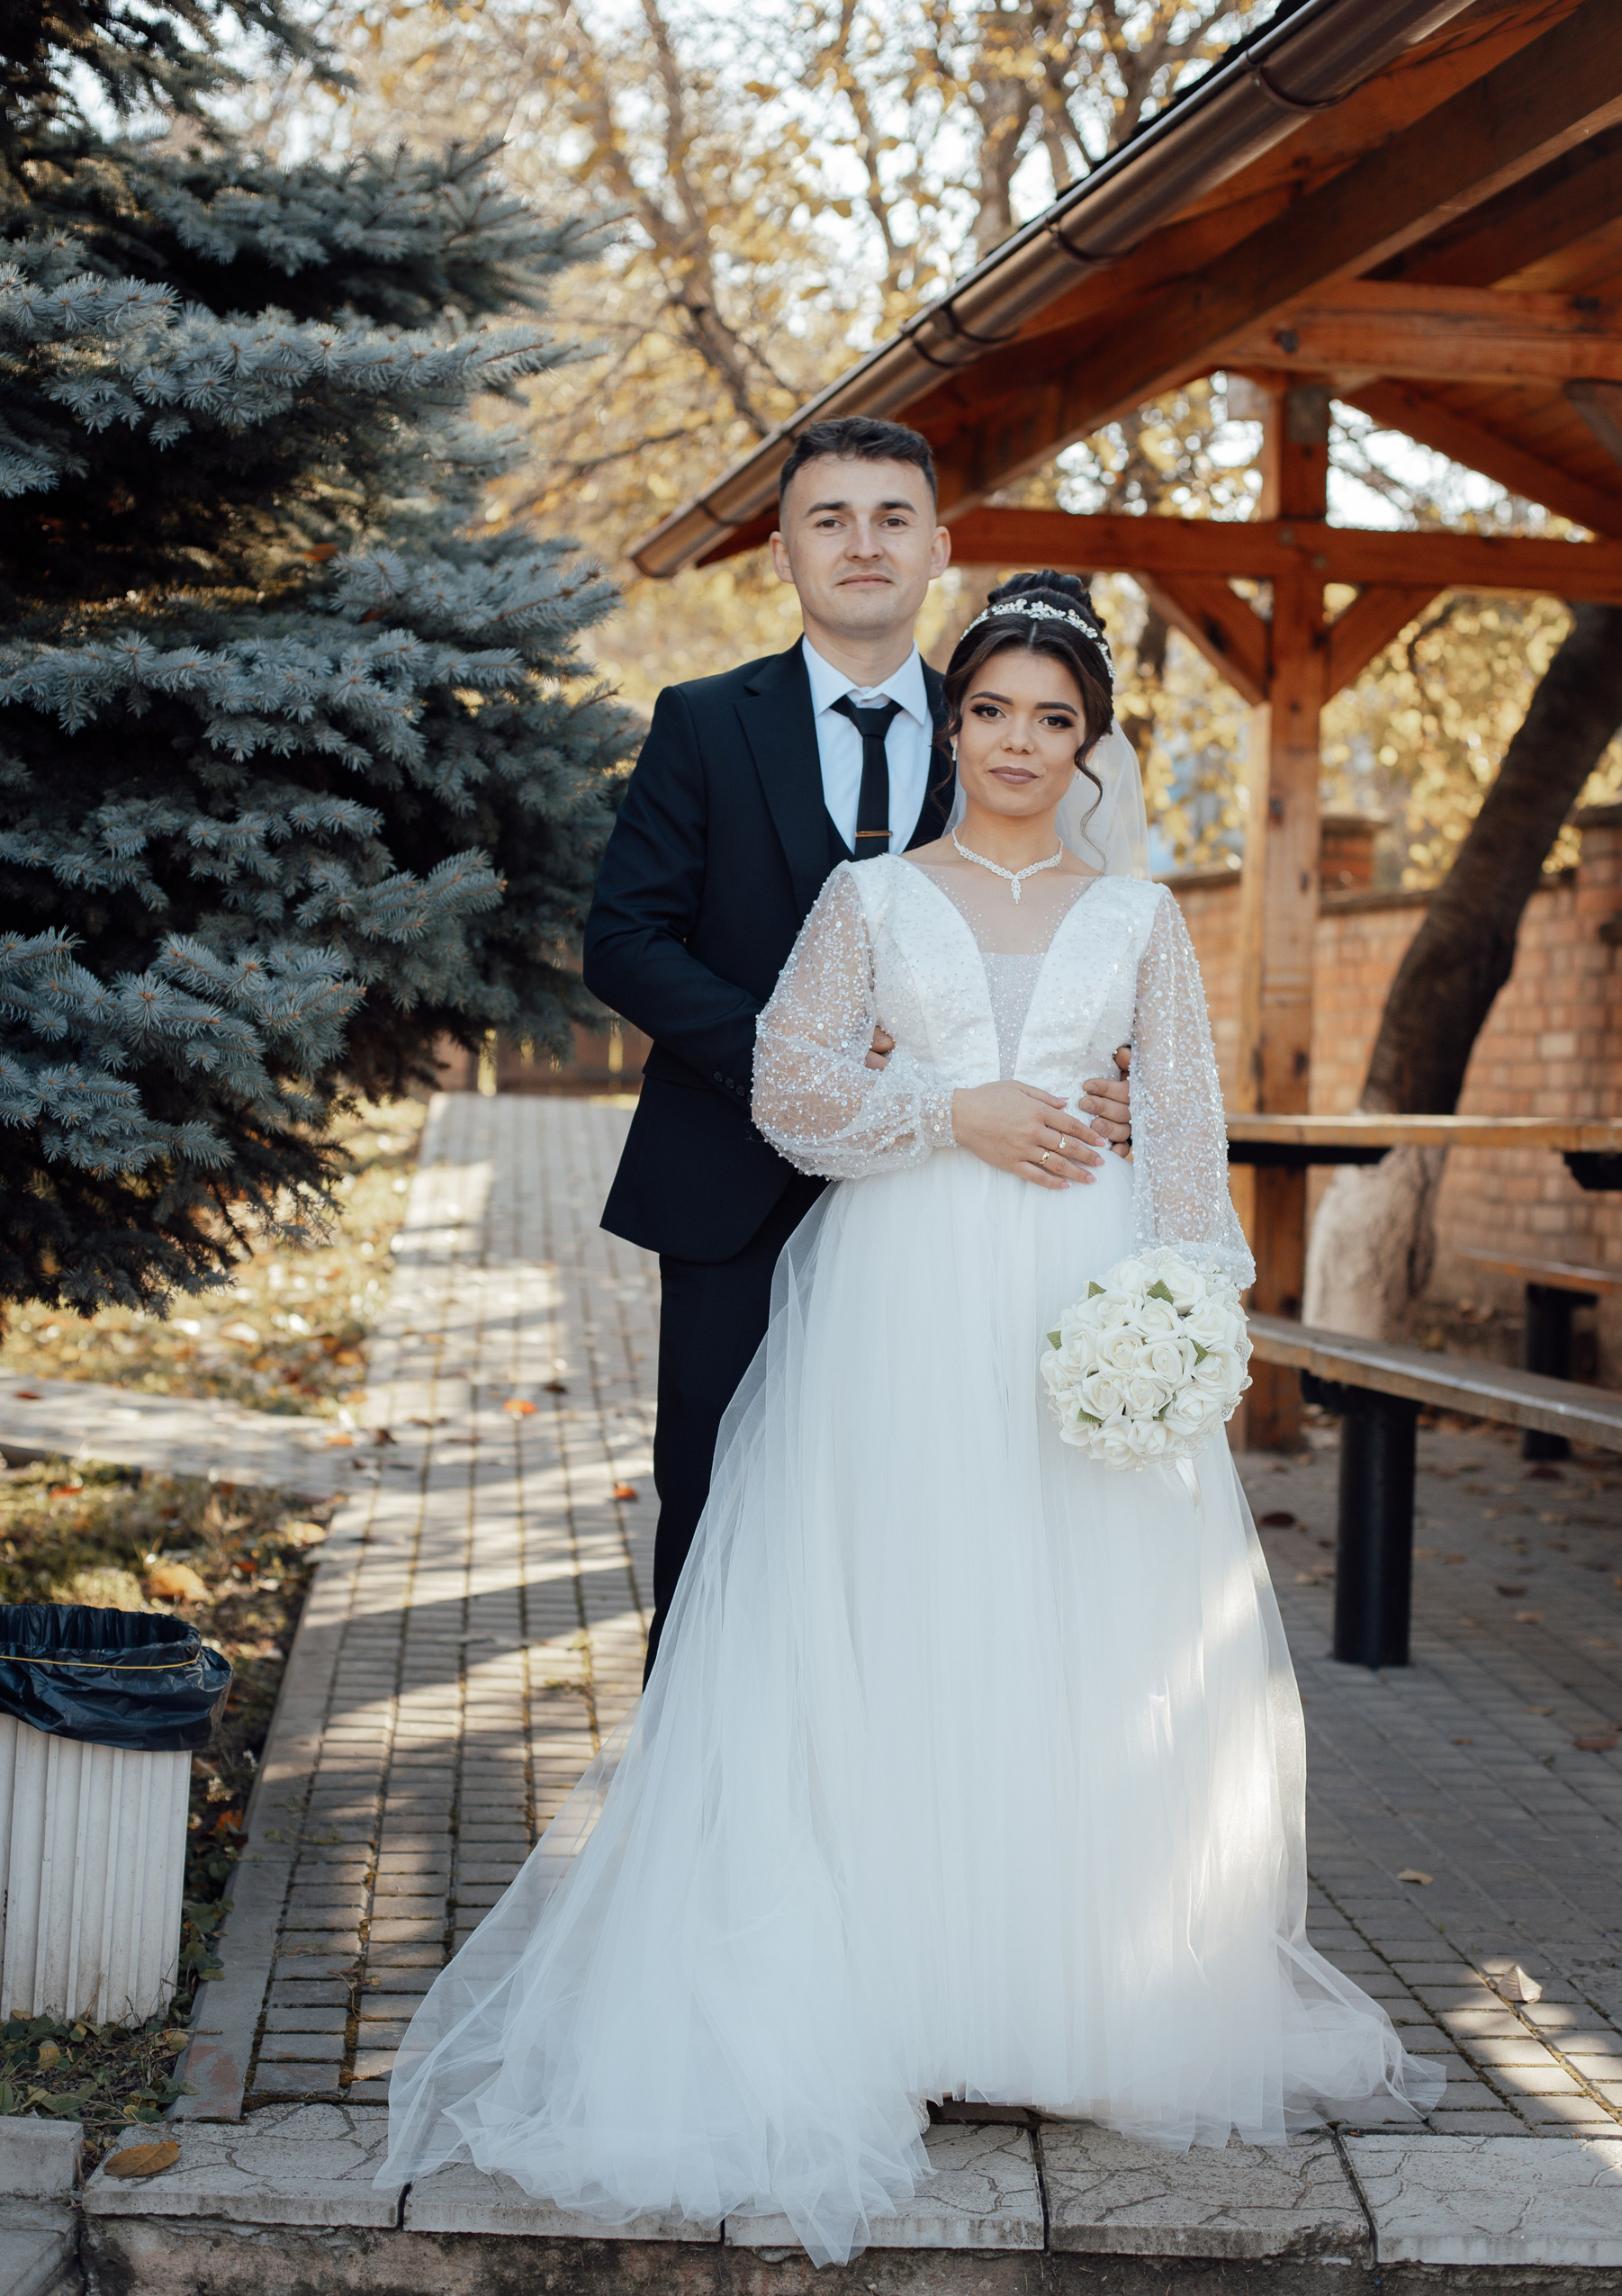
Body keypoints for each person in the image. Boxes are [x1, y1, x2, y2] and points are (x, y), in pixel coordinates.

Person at [379, 571, 1444, 2259]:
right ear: (953, 726)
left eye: (1054, 719)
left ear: (1091, 744)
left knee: (1071, 1625)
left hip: (1079, 1283)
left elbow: (1185, 1128)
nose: (1020, 742)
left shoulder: (1141, 919)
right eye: (993, 711)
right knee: (900, 1608)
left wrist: (1185, 1311)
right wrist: (958, 1110)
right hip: (900, 1290)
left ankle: (1053, 1995)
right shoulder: (870, 896)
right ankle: (885, 1987)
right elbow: (797, 1090)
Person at [580, 416, 1132, 1676]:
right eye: (829, 519)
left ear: (939, 548)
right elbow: (625, 940)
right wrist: (799, 1059)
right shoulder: (702, 721)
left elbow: (1083, 938)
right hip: (729, 1181)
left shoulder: (1003, 726)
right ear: (784, 552)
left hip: (947, 1207)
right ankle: (701, 1787)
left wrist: (1112, 1081)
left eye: (893, 518)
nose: (863, 544)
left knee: (922, 1519)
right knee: (715, 1514)